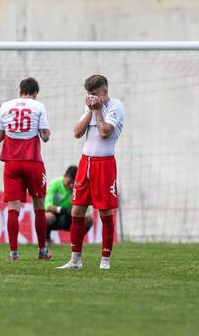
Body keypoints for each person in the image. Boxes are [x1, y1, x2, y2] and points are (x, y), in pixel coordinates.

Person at [57, 74, 124, 271]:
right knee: (77, 210)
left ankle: (105, 260)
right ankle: (75, 260)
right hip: (85, 163)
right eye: (88, 95)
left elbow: (105, 132)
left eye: (95, 94)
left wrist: (96, 111)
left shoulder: (115, 107)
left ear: (105, 92)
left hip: (104, 164)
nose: (91, 98)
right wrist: (89, 110)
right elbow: (76, 132)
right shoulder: (90, 107)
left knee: (104, 211)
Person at [0, 77, 51, 262]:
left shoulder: (5, 106)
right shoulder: (38, 106)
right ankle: (42, 251)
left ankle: (13, 253)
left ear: (20, 91)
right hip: (32, 161)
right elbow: (45, 136)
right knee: (39, 206)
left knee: (13, 208)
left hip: (11, 162)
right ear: (35, 93)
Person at [45, 165, 92, 245]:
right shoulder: (55, 183)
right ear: (64, 175)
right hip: (56, 215)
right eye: (67, 181)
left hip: (72, 216)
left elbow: (87, 209)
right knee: (47, 217)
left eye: (71, 182)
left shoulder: (78, 188)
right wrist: (62, 210)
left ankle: (78, 240)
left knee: (89, 218)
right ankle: (47, 239)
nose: (68, 184)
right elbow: (47, 205)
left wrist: (73, 193)